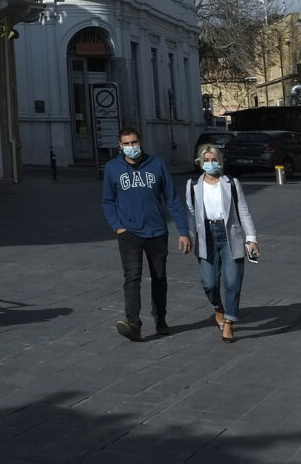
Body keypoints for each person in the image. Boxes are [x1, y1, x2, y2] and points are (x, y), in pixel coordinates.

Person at [101, 125, 184, 341]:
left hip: (157, 231)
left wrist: (183, 231)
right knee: (132, 278)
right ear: (120, 146)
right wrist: (118, 226)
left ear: (141, 142)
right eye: (126, 144)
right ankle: (133, 324)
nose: (131, 147)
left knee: (159, 277)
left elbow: (173, 199)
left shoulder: (156, 164)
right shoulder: (112, 168)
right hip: (129, 233)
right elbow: (108, 201)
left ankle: (161, 318)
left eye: (134, 143)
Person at [181, 142, 259, 342]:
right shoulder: (193, 185)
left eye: (214, 160)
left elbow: (243, 210)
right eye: (206, 160)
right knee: (209, 283)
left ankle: (229, 322)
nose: (210, 164)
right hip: (205, 235)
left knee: (232, 282)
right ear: (200, 162)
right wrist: (189, 235)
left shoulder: (231, 183)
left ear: (220, 162)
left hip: (229, 235)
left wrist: (251, 239)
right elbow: (190, 212)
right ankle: (218, 308)